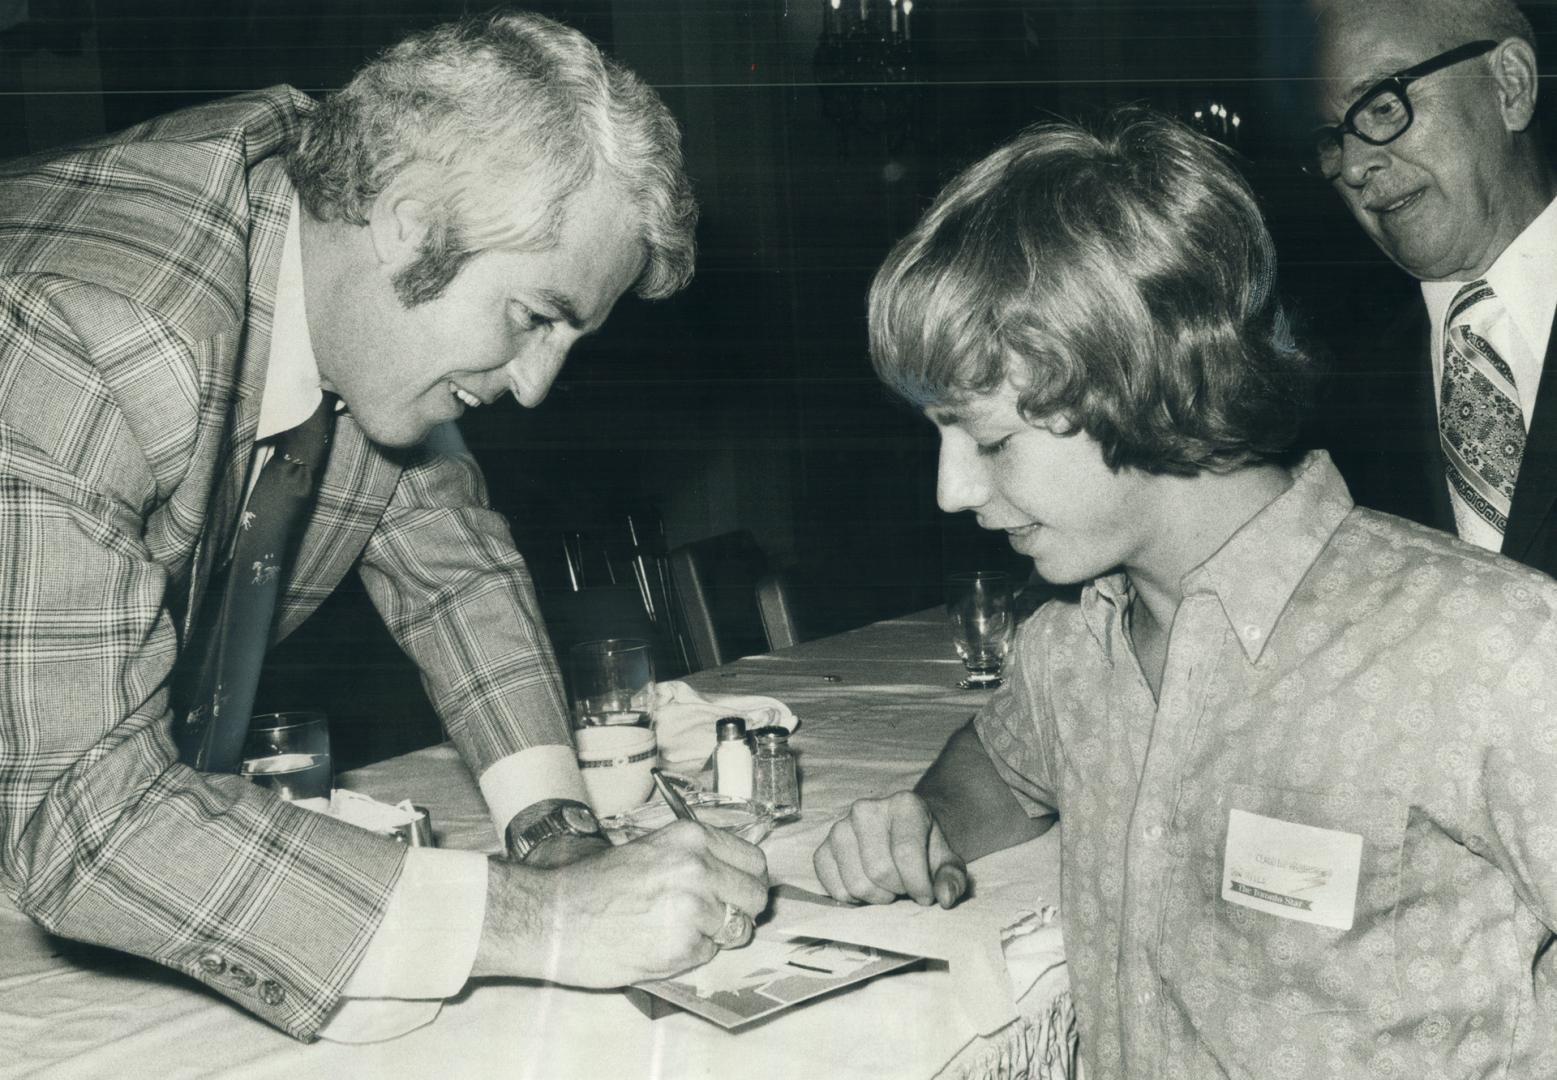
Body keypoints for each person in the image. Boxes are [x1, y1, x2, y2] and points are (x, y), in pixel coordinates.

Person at [0, 10, 767, 1042]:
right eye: (535, 318)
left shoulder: (334, 260)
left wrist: (557, 835)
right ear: (410, 222)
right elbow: (85, 820)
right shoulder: (84, 332)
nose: (538, 387)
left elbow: (453, 570)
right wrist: (538, 920)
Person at [812, 108, 1557, 1077]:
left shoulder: (1488, 650)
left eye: (991, 440)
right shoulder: (1070, 655)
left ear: (1146, 381)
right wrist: (930, 818)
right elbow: (1001, 760)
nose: (952, 490)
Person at [1307, 0, 1557, 574]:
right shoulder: (1333, 404)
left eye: (1381, 105)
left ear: (1510, 87)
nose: (1351, 167)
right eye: (1331, 140)